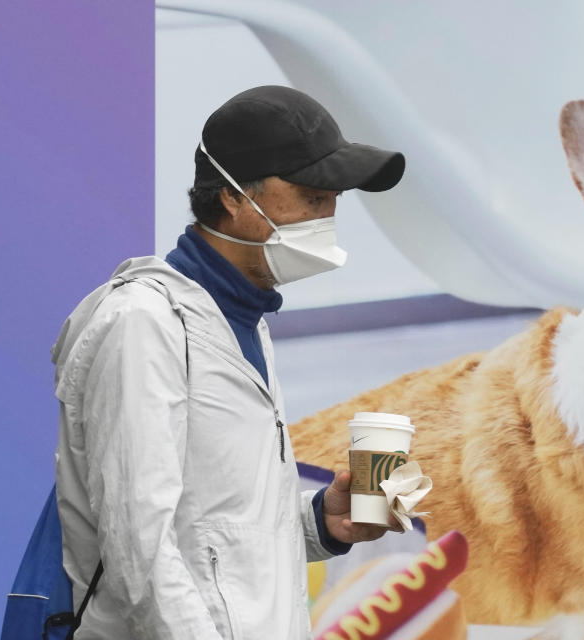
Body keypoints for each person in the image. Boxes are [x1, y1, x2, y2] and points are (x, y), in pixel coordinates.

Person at [52, 86, 406, 639]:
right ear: (234, 196)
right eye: (313, 193)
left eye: (336, 195)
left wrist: (320, 522)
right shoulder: (143, 322)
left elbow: (218, 529)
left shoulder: (244, 320)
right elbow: (138, 551)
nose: (329, 212)